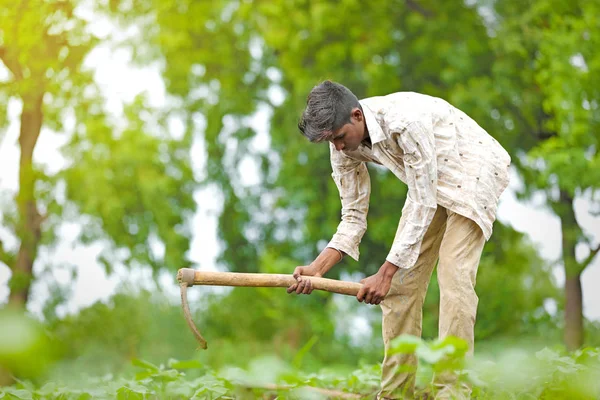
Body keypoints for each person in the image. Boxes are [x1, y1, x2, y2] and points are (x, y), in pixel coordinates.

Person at [286, 80, 511, 399]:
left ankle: (452, 390)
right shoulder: (340, 146)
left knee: (454, 277)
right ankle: (395, 393)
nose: (337, 147)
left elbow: (421, 200)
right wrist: (317, 268)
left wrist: (385, 272)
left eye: (338, 137)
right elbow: (352, 216)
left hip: (473, 169)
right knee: (401, 288)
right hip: (429, 187)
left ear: (356, 116)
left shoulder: (405, 122)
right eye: (329, 142)